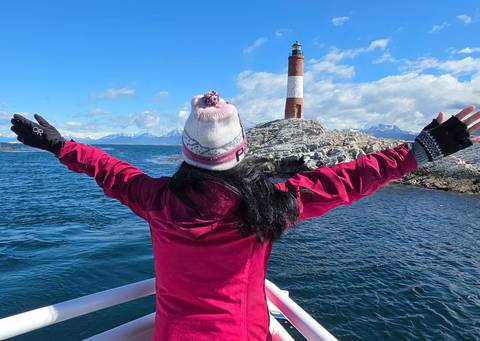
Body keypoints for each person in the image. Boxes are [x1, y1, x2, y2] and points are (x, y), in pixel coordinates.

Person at [10, 91, 480, 341]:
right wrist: (418, 152)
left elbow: (110, 169)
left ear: (186, 153)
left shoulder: (155, 199)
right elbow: (347, 179)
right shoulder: (270, 204)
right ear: (242, 149)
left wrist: (59, 144)